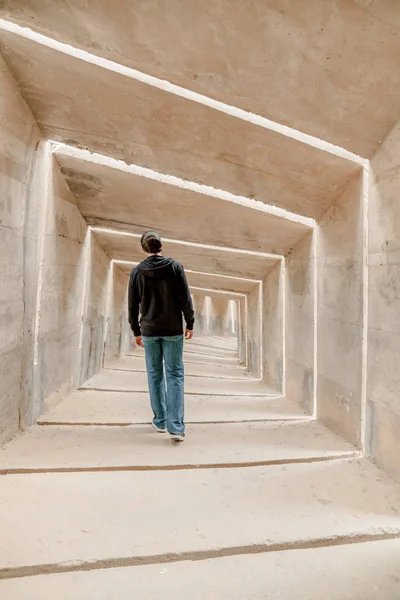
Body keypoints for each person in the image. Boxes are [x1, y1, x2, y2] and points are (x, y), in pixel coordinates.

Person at [128, 231, 194, 442]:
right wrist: (189, 322)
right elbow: (185, 297)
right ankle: (176, 427)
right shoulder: (175, 268)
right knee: (174, 375)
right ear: (161, 246)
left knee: (154, 375)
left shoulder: (137, 272)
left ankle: (160, 421)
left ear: (143, 249)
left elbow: (132, 305)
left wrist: (135, 331)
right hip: (173, 329)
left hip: (149, 331)